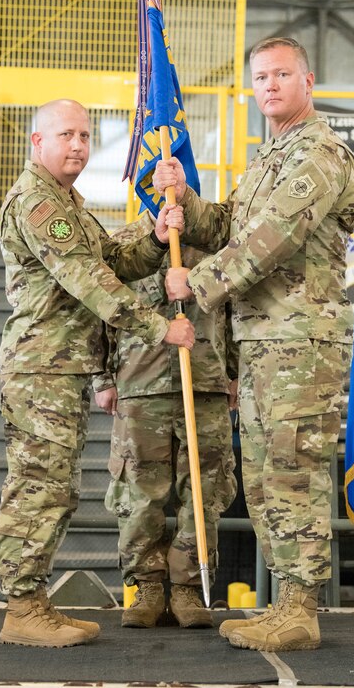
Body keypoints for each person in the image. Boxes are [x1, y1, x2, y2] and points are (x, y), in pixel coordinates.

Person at [152, 37, 354, 653]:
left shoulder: (321, 154)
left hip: (301, 342)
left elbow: (271, 239)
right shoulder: (268, 156)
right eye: (260, 77)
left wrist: (197, 282)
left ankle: (301, 608)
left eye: (281, 74)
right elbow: (233, 225)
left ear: (309, 80)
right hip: (263, 341)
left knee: (293, 469)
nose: (268, 85)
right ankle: (283, 605)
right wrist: (184, 202)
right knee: (266, 476)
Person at [0, 99, 194, 649]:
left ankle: (33, 602)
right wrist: (159, 327)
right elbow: (88, 280)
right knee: (38, 488)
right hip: (41, 369)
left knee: (56, 489)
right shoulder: (38, 202)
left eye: (84, 135)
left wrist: (154, 240)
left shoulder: (70, 203)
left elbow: (113, 262)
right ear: (38, 142)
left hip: (62, 370)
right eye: (65, 135)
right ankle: (21, 607)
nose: (78, 145)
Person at [94, 212, 238, 629]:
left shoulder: (213, 244)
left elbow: (232, 313)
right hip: (140, 383)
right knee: (140, 493)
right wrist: (103, 378)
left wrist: (233, 373)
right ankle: (147, 586)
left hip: (205, 380)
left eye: (173, 176)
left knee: (204, 491)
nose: (165, 187)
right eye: (156, 178)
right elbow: (102, 310)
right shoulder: (123, 246)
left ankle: (190, 586)